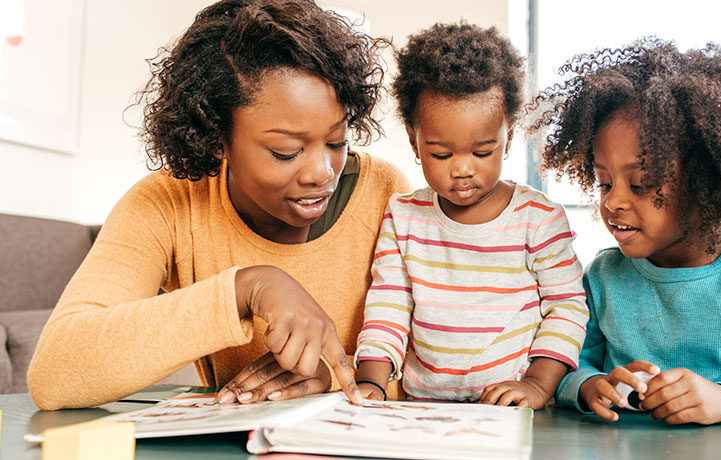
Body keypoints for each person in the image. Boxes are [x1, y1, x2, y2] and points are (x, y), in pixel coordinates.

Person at [27, 0, 410, 410]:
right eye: (286, 151)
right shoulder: (169, 203)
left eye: (337, 141)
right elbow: (54, 374)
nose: (321, 171)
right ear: (216, 138)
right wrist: (246, 288)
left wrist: (334, 375)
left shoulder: (385, 194)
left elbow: (446, 364)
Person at [529, 37, 721, 441]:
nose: (614, 201)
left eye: (640, 183)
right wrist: (588, 387)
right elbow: (569, 368)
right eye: (604, 183)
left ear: (707, 184)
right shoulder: (603, 276)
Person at [353, 22, 589, 409]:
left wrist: (536, 385)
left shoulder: (538, 218)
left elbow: (566, 307)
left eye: (482, 152)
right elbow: (389, 304)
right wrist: (373, 385)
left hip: (515, 408)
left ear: (508, 137)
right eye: (442, 154)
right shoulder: (404, 215)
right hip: (424, 409)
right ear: (415, 140)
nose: (462, 169)